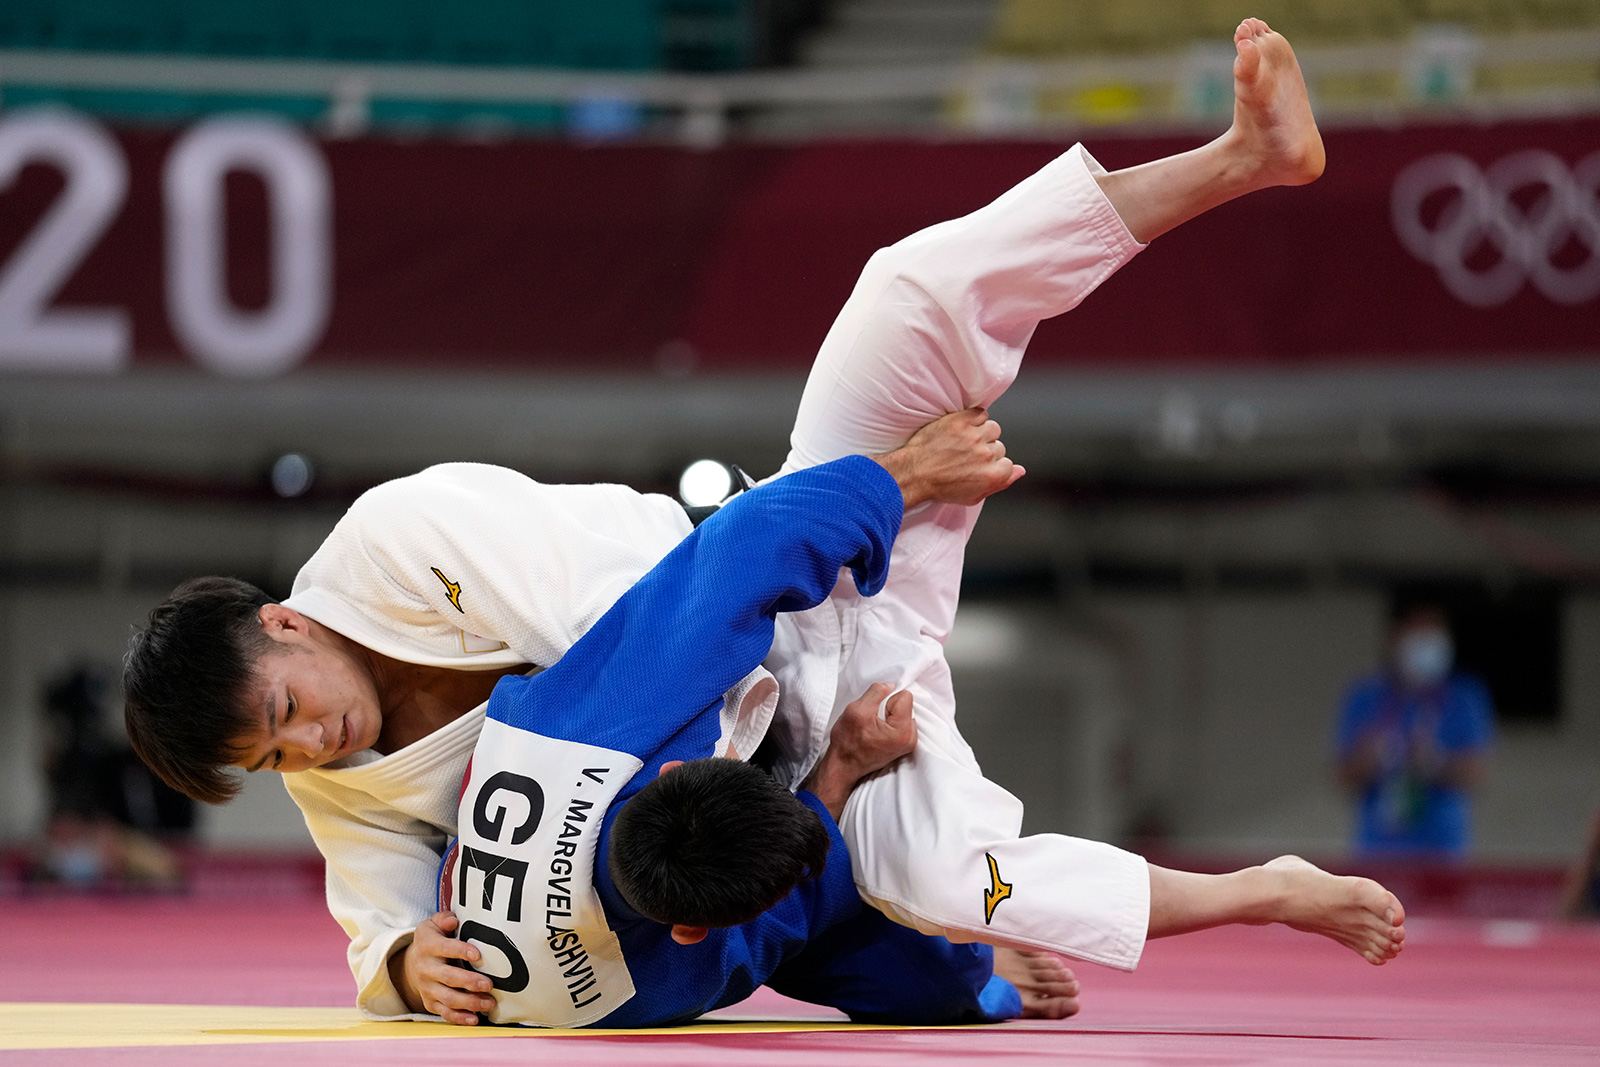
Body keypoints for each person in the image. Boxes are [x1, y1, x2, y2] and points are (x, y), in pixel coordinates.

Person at [124, 18, 1403, 1025]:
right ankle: (1266, 889)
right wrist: (408, 964)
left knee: (902, 286)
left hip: (785, 570)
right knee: (937, 881)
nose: (311, 747)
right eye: (276, 761)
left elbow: (673, 599)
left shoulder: (406, 540)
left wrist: (892, 482)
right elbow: (380, 913)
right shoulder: (339, 776)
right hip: (767, 757)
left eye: (286, 711)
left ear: (284, 622)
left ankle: (1243, 160)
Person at [443, 456, 1028, 1027]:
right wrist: (839, 769)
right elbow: (794, 911)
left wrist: (911, 472)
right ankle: (983, 979)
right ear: (692, 932)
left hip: (619, 588)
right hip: (644, 855)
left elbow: (747, 546)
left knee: (727, 577)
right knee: (935, 983)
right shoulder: (654, 988)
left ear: (670, 770)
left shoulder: (604, 711)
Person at [1336, 603, 1495, 859]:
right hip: (1377, 854)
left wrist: (1437, 764)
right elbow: (1341, 776)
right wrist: (1374, 758)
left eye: (1436, 635)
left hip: (1442, 854)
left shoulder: (1465, 696)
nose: (1428, 644)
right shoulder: (1365, 696)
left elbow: (1477, 773)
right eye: (1420, 634)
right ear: (1394, 636)